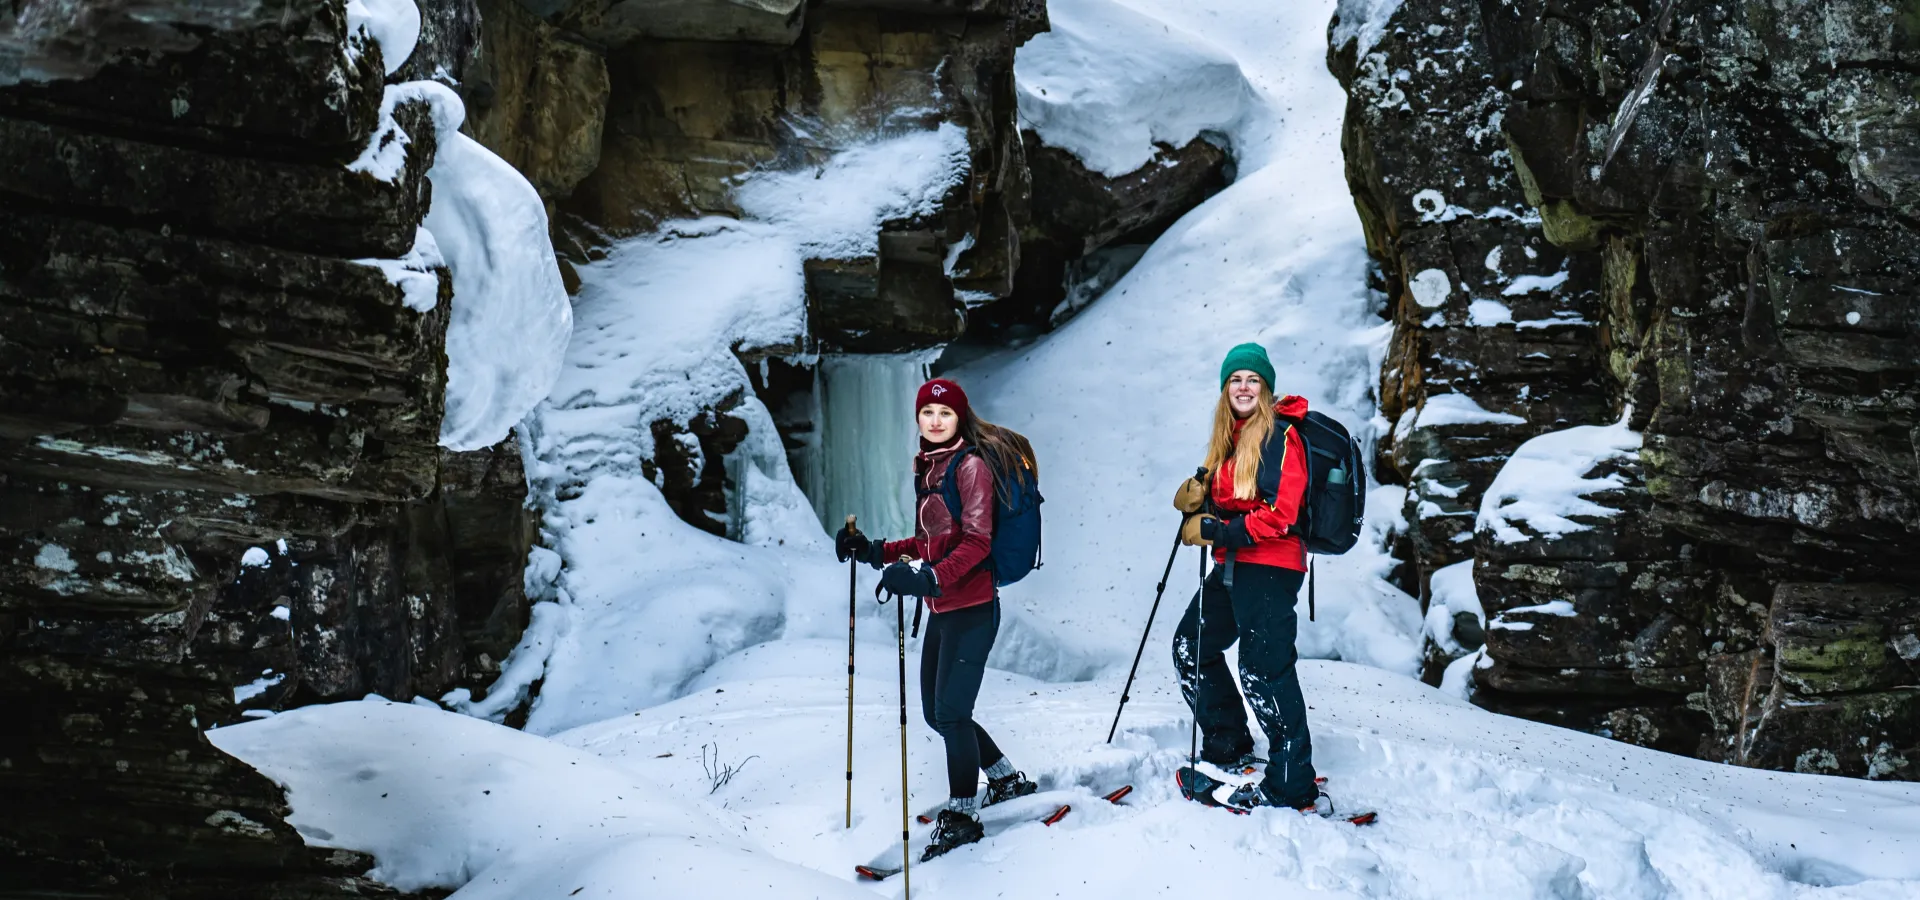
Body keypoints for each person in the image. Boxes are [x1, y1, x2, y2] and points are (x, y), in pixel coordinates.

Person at [834, 377, 1039, 858]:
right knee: (936, 713)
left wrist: (929, 579)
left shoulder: (969, 468)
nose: (936, 420)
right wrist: (875, 550)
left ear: (959, 418)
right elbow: (931, 543)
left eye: (945, 413)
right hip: (943, 608)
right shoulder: (930, 468)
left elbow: (976, 542)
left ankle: (964, 814)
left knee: (951, 713)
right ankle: (1005, 779)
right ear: (919, 419)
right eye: (928, 412)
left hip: (972, 608)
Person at [1170, 342, 1325, 813]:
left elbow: (1282, 511)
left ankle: (1291, 782)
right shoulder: (1231, 438)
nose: (1243, 387)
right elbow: (1241, 502)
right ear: (1225, 390)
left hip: (1272, 566)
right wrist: (1203, 502)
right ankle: (1228, 742)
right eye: (1235, 380)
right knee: (1191, 646)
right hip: (1234, 564)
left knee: (1264, 669)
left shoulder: (1282, 435)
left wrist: (1219, 527)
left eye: (1252, 380)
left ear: (1266, 388)